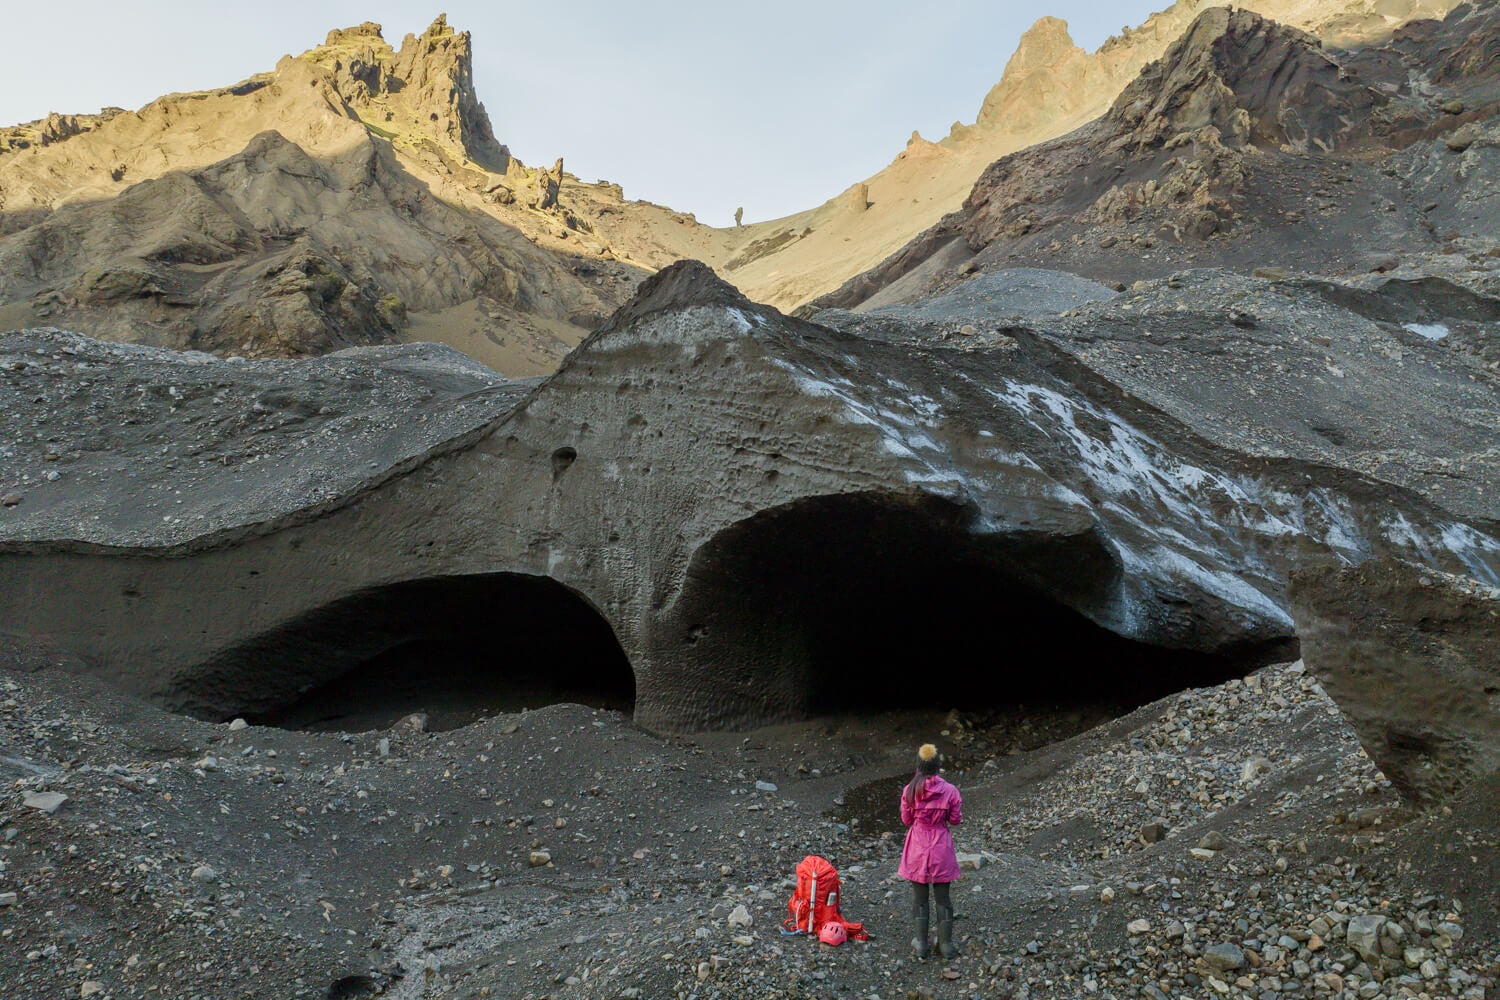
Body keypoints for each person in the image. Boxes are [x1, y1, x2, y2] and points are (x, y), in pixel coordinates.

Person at [898, 743, 962, 960]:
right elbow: (955, 820)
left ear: (918, 766)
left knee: (920, 899)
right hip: (941, 848)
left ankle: (921, 945)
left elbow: (906, 820)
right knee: (943, 899)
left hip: (917, 848)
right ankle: (945, 946)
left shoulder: (909, 791)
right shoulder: (951, 791)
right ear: (937, 766)